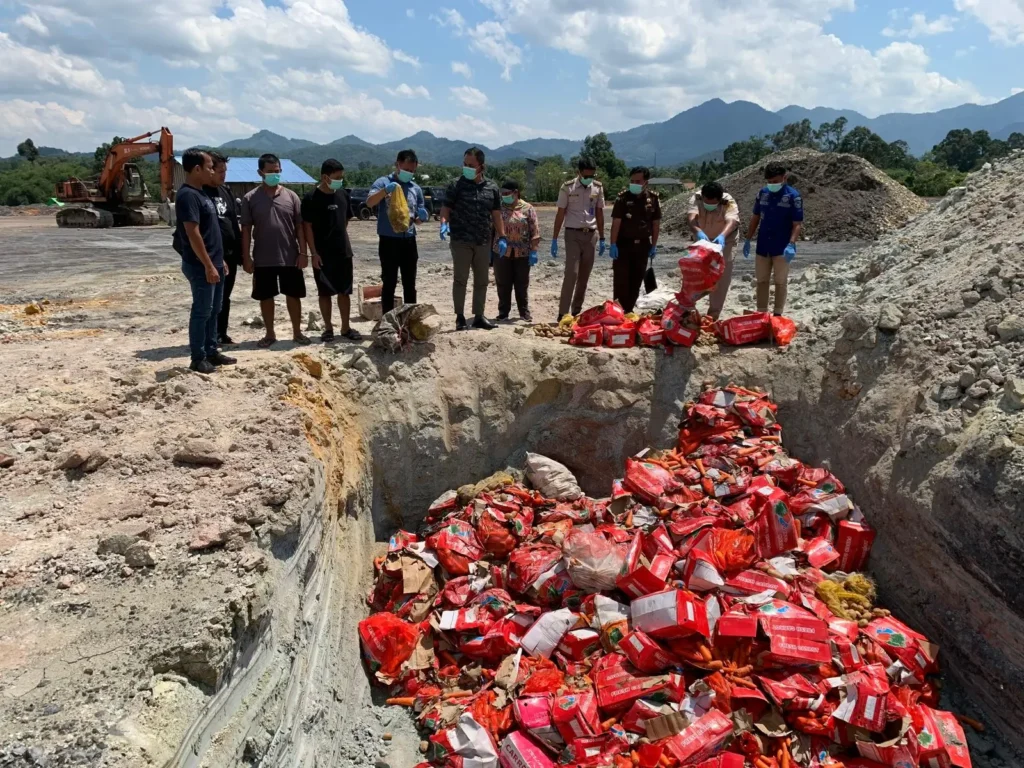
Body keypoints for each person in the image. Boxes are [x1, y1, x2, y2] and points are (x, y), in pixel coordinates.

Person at [172, 147, 235, 374]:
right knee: (202, 310)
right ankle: (197, 357)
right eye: (209, 167)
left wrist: (219, 261)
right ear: (196, 169)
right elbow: (193, 233)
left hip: (214, 262)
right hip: (200, 265)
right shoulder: (188, 195)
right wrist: (208, 264)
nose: (212, 171)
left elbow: (211, 232)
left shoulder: (203, 193)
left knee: (214, 308)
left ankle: (211, 351)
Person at [240, 153, 309, 347]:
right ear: (260, 172)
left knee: (294, 296)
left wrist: (303, 253)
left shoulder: (291, 196)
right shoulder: (250, 198)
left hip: (290, 257)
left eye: (277, 171)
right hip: (263, 258)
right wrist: (246, 257)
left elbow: (299, 228)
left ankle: (297, 332)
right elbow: (245, 229)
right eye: (270, 172)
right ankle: (270, 334)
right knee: (266, 296)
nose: (275, 175)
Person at [440, 147, 507, 330]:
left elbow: (496, 215)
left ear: (481, 167)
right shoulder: (456, 185)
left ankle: (479, 316)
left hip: (483, 240)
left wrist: (502, 236)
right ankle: (460, 317)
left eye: (471, 165)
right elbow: (446, 207)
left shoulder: (492, 188)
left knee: (482, 280)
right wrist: (443, 223)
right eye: (465, 164)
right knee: (460, 279)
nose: (466, 168)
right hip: (461, 239)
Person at [301, 159, 361, 342]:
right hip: (322, 254)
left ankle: (345, 327)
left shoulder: (343, 194)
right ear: (325, 177)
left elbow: (345, 220)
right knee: (325, 292)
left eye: (341, 177)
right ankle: (328, 329)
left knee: (345, 291)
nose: (340, 181)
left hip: (343, 251)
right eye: (336, 177)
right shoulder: (311, 198)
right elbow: (307, 227)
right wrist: (314, 253)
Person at [367, 149, 429, 314]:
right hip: (388, 240)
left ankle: (409, 319)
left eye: (412, 171)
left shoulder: (416, 188)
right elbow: (370, 202)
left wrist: (422, 218)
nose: (409, 173)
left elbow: (418, 216)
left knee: (410, 283)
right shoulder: (383, 182)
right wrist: (386, 191)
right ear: (397, 165)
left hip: (409, 240)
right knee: (389, 282)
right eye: (407, 169)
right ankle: (389, 321)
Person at [743, 161, 803, 316]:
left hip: (782, 246)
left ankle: (777, 315)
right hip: (763, 245)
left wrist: (792, 243)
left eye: (775, 182)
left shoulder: (793, 196)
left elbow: (797, 223)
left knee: (780, 282)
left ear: (784, 178)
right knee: (761, 281)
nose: (772, 184)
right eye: (769, 182)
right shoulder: (762, 194)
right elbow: (755, 217)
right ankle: (761, 313)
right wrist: (748, 239)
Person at [551, 157, 605, 320]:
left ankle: (576, 311)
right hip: (572, 234)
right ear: (579, 172)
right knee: (571, 273)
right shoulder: (567, 187)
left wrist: (602, 237)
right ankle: (563, 313)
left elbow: (600, 212)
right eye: (586, 175)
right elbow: (560, 213)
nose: (589, 178)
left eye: (592, 175)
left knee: (584, 275)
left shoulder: (598, 187)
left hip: (591, 235)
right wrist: (554, 238)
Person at [609, 167, 661, 314]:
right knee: (621, 281)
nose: (634, 184)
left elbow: (656, 224)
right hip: (623, 245)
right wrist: (613, 244)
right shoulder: (623, 198)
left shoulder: (653, 199)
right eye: (632, 181)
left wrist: (654, 246)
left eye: (637, 181)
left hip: (643, 246)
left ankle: (629, 310)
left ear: (646, 182)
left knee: (636, 280)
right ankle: (618, 312)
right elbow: (616, 223)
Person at [203, 151, 243, 345]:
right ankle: (207, 337)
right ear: (209, 170)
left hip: (230, 255)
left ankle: (221, 333)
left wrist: (241, 253)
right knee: (209, 300)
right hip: (211, 257)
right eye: (220, 171)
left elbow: (234, 223)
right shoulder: (200, 193)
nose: (223, 175)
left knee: (224, 297)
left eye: (225, 171)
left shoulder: (225, 191)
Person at [686, 180, 741, 320]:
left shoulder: (728, 201)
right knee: (696, 273)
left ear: (719, 198)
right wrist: (698, 231)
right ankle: (689, 311)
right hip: (703, 239)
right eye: (707, 202)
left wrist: (722, 236)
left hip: (725, 240)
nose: (709, 205)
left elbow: (732, 221)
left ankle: (713, 315)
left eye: (713, 203)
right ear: (703, 196)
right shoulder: (696, 198)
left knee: (721, 275)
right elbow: (691, 218)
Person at [493, 179, 540, 322]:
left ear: (516, 192)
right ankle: (503, 312)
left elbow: (535, 231)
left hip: (523, 253)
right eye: (503, 193)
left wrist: (534, 251)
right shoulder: (499, 208)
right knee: (503, 283)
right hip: (501, 252)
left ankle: (524, 312)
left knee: (522, 283)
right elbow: (491, 228)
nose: (504, 196)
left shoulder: (528, 208)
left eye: (507, 193)